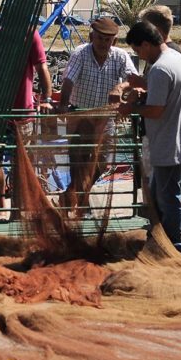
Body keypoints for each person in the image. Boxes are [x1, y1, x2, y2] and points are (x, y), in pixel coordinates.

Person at [117, 21, 181, 252]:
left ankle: (174, 247)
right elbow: (166, 94)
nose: (138, 55)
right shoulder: (176, 59)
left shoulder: (159, 69)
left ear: (147, 44)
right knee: (162, 193)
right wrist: (145, 85)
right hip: (178, 138)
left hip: (169, 142)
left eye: (138, 51)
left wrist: (131, 109)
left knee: (168, 198)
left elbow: (157, 110)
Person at [56, 17, 137, 215]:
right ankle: (82, 202)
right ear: (92, 37)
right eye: (100, 39)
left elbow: (134, 80)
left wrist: (122, 88)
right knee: (79, 160)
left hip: (106, 116)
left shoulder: (120, 56)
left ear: (114, 42)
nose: (103, 44)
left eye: (108, 40)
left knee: (104, 162)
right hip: (81, 113)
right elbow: (68, 81)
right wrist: (64, 107)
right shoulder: (80, 54)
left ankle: (73, 193)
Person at [0, 23, 54, 213]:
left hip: (23, 113)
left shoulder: (30, 35)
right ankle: (1, 207)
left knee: (20, 164)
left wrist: (47, 99)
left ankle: (17, 210)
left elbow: (42, 68)